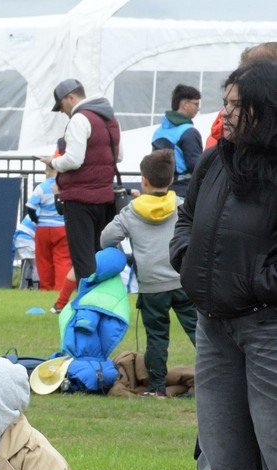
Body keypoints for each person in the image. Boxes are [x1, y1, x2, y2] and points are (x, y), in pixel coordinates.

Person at [163, 60, 277, 470]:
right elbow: (186, 219)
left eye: (236, 105)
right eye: (224, 102)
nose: (225, 114)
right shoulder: (213, 162)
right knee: (220, 458)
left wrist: (261, 283)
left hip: (267, 330)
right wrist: (185, 256)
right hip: (214, 330)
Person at [101, 149, 196, 397]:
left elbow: (106, 239)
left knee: (156, 338)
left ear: (143, 180)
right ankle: (217, 380)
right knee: (200, 332)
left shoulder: (131, 212)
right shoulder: (181, 205)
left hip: (152, 286)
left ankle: (156, 388)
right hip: (183, 280)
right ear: (172, 179)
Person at [50, 78, 121, 287]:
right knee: (103, 256)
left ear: (70, 97)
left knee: (83, 261)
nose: (63, 112)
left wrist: (53, 162)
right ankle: (106, 306)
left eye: (62, 106)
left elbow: (73, 159)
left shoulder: (79, 119)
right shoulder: (110, 119)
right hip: (105, 198)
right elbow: (119, 156)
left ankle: (87, 311)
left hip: (79, 200)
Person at [25, 159, 75, 306]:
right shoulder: (65, 186)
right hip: (61, 227)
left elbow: (31, 207)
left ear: (46, 171)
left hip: (43, 229)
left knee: (43, 260)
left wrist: (36, 220)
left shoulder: (41, 187)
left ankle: (46, 289)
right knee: (62, 260)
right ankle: (60, 290)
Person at [151, 83, 203, 189]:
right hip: (184, 190)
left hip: (160, 190)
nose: (198, 109)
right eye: (196, 104)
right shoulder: (189, 132)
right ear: (185, 104)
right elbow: (196, 166)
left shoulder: (158, 132)